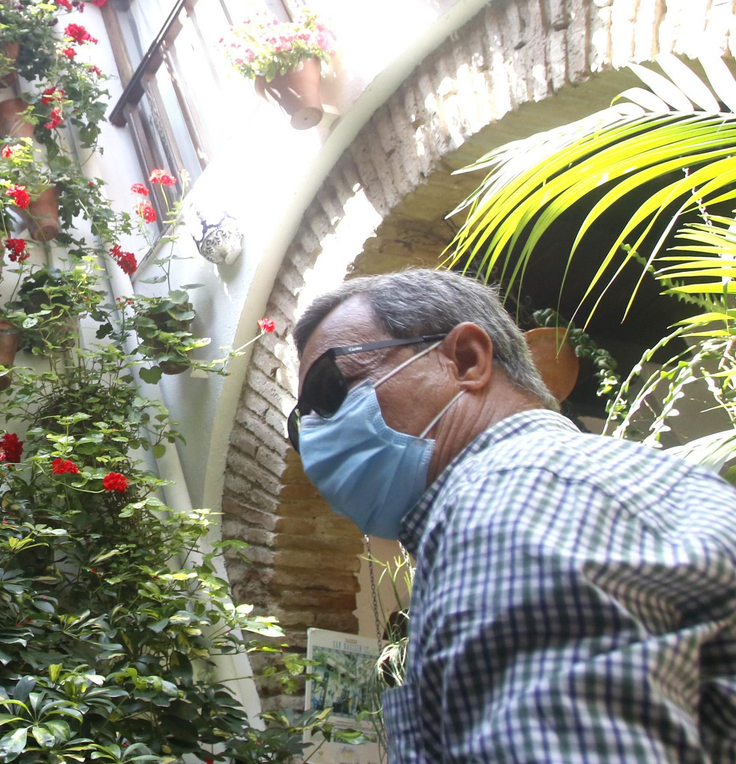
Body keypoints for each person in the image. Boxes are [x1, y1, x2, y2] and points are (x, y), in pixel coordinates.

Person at [288, 269, 736, 762]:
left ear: (466, 360)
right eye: (301, 420)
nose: (313, 434)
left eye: (330, 392)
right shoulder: (617, 480)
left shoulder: (508, 506)